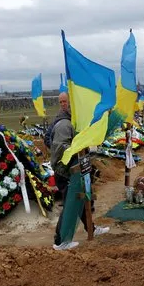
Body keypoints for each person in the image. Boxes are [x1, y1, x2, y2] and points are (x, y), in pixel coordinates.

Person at [50, 92, 109, 250]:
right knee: (70, 204)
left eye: (66, 101)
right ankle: (60, 241)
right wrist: (77, 149)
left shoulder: (73, 121)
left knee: (82, 201)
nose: (63, 104)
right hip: (65, 171)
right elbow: (61, 148)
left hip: (75, 169)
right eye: (61, 102)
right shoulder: (64, 124)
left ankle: (91, 229)